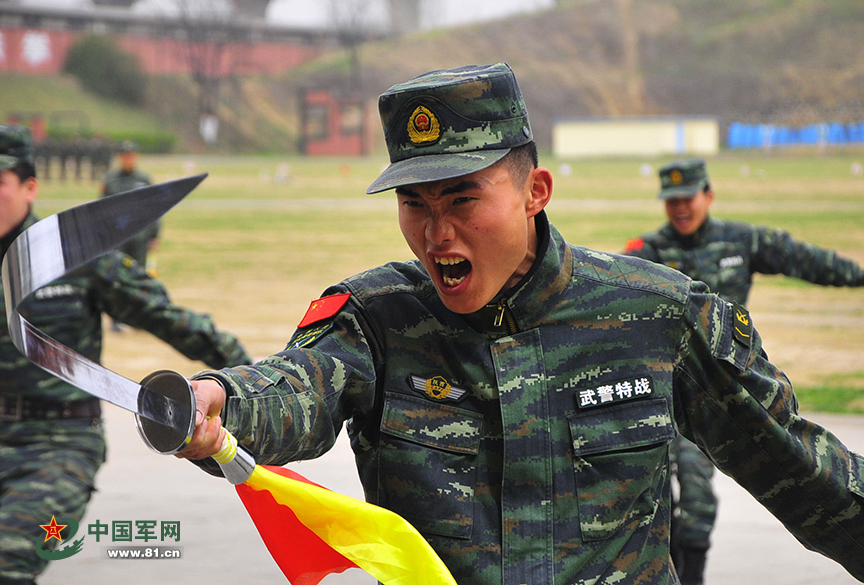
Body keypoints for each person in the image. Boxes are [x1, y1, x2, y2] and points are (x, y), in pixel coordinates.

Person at [177, 64, 864, 584]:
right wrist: (220, 401)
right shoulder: (377, 321)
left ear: (535, 193)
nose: (436, 232)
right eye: (414, 203)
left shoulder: (659, 315)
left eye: (462, 198)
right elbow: (293, 387)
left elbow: (809, 477)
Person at [0, 124, 253, 585]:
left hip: (55, 443)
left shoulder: (72, 256)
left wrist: (251, 384)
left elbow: (169, 319)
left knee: (7, 560)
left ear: (29, 187)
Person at [623, 158, 864, 584]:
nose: (680, 208)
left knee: (697, 499)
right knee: (652, 499)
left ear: (708, 195)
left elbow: (805, 260)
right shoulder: (648, 252)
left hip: (717, 395)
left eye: (688, 198)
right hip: (663, 394)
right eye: (672, 201)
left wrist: (859, 276)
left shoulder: (741, 240)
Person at [101, 140, 158, 274]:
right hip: (117, 236)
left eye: (131, 156)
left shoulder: (144, 179)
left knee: (139, 273)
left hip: (140, 235)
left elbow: (153, 207)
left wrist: (154, 235)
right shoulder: (110, 179)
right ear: (119, 157)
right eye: (125, 156)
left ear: (136, 156)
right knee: (117, 272)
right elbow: (102, 209)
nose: (128, 159)